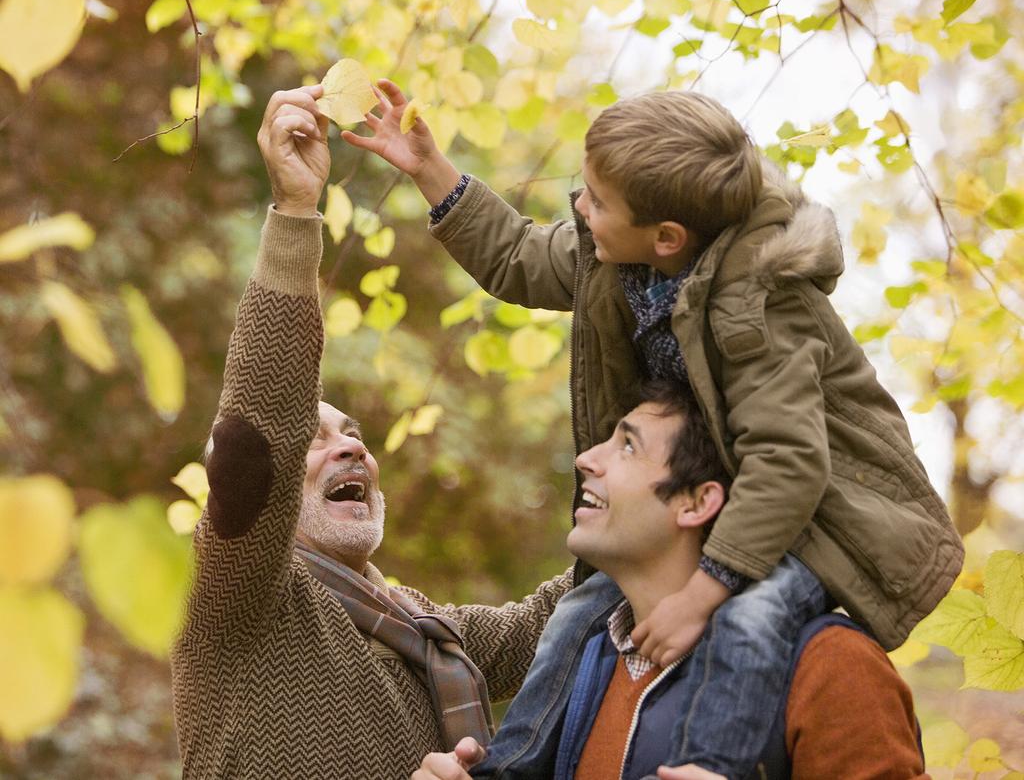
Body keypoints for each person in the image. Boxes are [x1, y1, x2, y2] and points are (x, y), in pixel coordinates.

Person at [343, 81, 962, 777]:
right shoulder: (621, 259)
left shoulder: (762, 300)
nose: (580, 208)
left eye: (597, 201)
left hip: (804, 515)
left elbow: (789, 460)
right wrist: (431, 170)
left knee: (752, 620)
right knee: (573, 616)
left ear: (667, 236)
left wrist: (704, 594)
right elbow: (517, 255)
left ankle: (710, 762)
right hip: (724, 490)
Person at [169, 85, 572, 779]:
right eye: (315, 440)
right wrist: (296, 212)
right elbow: (261, 432)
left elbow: (556, 620)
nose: (352, 447)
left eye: (353, 434)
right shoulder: (235, 598)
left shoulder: (425, 628)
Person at [411, 383, 931, 780]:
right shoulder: (583, 664)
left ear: (697, 502)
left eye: (628, 447)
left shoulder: (829, 665)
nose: (586, 459)